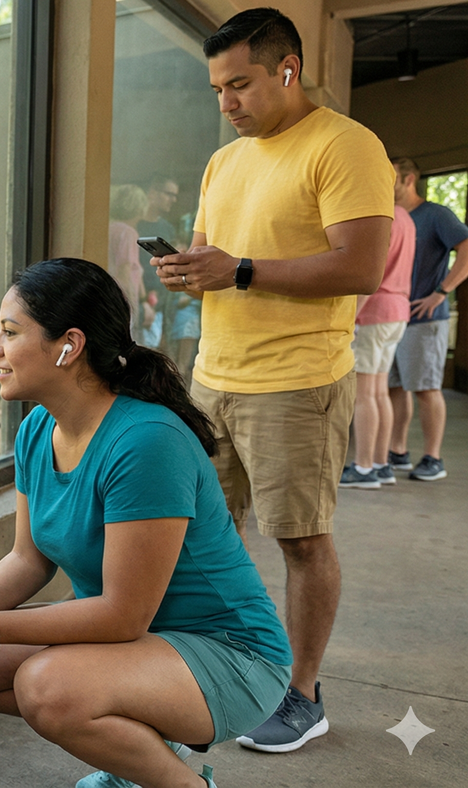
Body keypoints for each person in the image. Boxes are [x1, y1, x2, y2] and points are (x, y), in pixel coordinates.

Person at [0, 258, 290, 788]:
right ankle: (135, 762)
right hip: (136, 645)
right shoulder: (38, 429)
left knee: (47, 687)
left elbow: (122, 616)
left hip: (230, 654)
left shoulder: (147, 441)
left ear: (69, 345)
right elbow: (27, 561)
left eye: (10, 332)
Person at [150, 8, 394, 754]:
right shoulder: (222, 162)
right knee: (202, 537)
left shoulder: (345, 145)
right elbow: (214, 261)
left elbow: (361, 266)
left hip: (297, 382)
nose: (226, 102)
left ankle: (302, 695)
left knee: (300, 542)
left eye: (240, 84)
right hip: (212, 378)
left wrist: (242, 271)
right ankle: (216, 671)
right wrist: (188, 271)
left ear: (288, 70)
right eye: (217, 89)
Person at [387, 157, 468, 482]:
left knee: (426, 388)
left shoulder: (436, 214)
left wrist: (442, 292)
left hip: (425, 319)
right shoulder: (392, 216)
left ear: (408, 180)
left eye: (390, 176)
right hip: (393, 318)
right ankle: (397, 451)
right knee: (394, 388)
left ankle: (433, 458)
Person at [339, 204, 415, 489]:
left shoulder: (383, 216)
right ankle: (381, 464)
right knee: (380, 391)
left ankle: (364, 467)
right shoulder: (405, 217)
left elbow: (373, 271)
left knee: (364, 394)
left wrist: (350, 317)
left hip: (374, 311)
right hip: (398, 310)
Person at [138, 175, 182, 349]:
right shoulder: (135, 224)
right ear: (152, 193)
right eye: (168, 194)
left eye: (175, 196)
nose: (174, 200)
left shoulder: (168, 228)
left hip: (163, 303)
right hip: (137, 301)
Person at [106, 184, 153, 343]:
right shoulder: (128, 233)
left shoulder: (108, 228)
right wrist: (133, 307)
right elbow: (125, 270)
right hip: (123, 300)